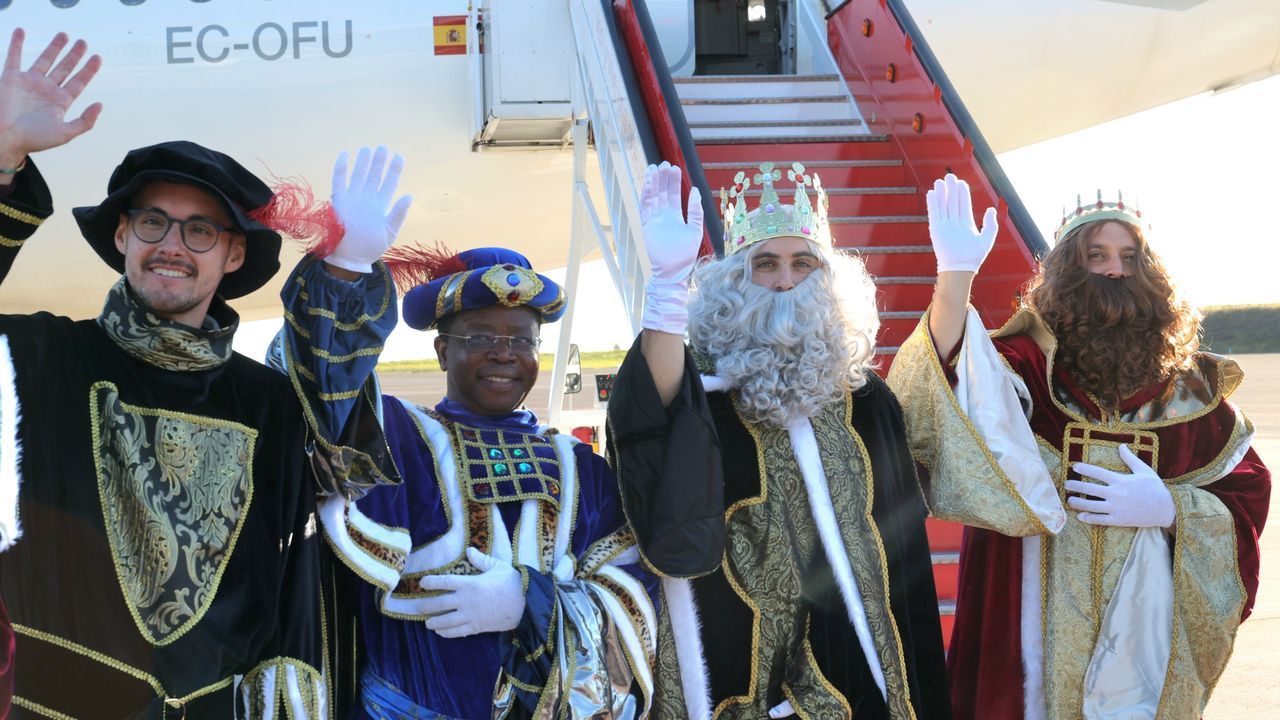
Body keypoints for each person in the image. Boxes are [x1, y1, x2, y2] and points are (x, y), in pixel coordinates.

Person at [0, 29, 393, 717]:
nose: (171, 246)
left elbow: (345, 466)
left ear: (234, 255)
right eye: (152, 222)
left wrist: (348, 275)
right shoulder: (40, 358)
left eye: (200, 230)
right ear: (121, 235)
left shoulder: (268, 404)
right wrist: (2, 159)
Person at [273, 162, 660, 717]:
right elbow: (324, 386)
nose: (504, 354)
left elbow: (633, 596)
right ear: (442, 352)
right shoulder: (399, 437)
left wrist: (532, 601)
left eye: (521, 340)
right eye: (480, 337)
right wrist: (346, 272)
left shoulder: (583, 468)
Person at [887, 175, 1271, 719]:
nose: (1115, 270)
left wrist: (1172, 510)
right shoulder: (1025, 363)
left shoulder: (1188, 391)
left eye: (1129, 257)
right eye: (1097, 255)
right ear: (1070, 267)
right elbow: (952, 385)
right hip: (1027, 617)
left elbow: (1245, 491)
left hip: (1142, 633)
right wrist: (955, 278)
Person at [606, 161, 950, 719]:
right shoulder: (703, 390)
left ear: (827, 278)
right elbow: (650, 411)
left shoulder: (866, 401)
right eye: (766, 264)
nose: (786, 280)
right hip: (731, 650)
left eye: (802, 263)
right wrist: (665, 287)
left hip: (848, 660)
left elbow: (899, 549)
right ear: (735, 279)